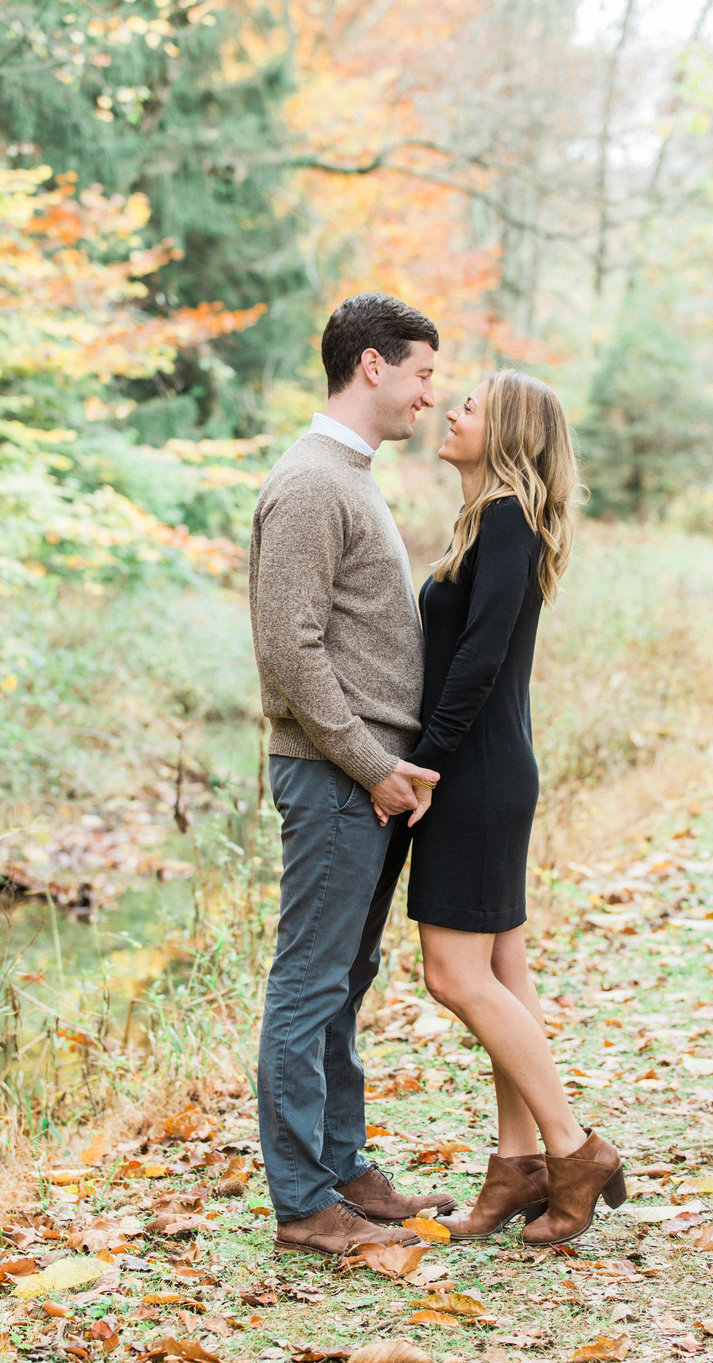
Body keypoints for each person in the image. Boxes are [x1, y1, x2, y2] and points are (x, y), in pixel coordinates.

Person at [380, 369, 625, 1245]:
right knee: (503, 975)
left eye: (471, 406)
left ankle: (573, 1149)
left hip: (474, 775)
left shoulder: (508, 520)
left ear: (509, 431)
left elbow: (478, 659)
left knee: (455, 976)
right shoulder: (490, 520)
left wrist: (425, 769)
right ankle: (517, 1166)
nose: (451, 410)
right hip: (491, 769)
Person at [248, 293, 457, 1258]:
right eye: (421, 373)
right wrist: (375, 766)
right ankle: (302, 1202)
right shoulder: (308, 483)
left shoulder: (352, 475)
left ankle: (341, 1164)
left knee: (347, 976)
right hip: (338, 776)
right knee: (309, 983)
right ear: (371, 366)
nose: (430, 394)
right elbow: (289, 652)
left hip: (368, 781)